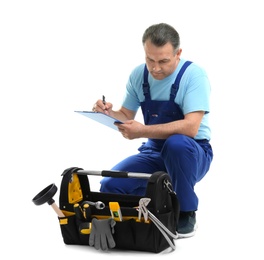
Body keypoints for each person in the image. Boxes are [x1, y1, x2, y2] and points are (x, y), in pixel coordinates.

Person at [92, 23, 213, 238]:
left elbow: (191, 127)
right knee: (110, 184)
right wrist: (108, 113)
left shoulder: (194, 76)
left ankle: (186, 210)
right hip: (154, 152)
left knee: (176, 144)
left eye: (163, 61)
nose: (155, 68)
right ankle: (143, 210)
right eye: (150, 59)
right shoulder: (139, 75)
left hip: (192, 153)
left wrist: (142, 130)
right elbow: (126, 116)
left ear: (178, 54)